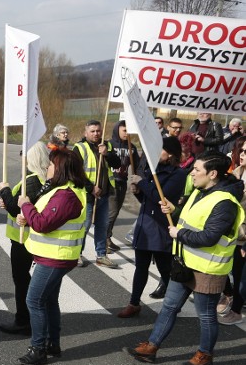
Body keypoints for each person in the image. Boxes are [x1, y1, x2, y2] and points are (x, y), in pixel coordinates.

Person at [127, 151, 244, 365]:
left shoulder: (225, 202)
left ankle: (205, 355)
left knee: (206, 316)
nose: (192, 173)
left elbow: (209, 236)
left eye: (197, 169)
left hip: (207, 268)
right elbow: (191, 217)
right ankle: (152, 346)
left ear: (213, 174)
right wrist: (175, 209)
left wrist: (178, 234)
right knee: (169, 306)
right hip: (185, 262)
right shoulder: (201, 192)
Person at [14, 147, 87, 365]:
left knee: (34, 300)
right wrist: (27, 216)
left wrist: (25, 205)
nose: (48, 167)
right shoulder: (63, 190)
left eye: (52, 164)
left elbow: (43, 224)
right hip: (53, 256)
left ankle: (38, 349)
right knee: (48, 300)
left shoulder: (67, 195)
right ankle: (52, 343)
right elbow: (44, 218)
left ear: (62, 168)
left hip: (55, 257)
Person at [116, 137, 187, 317]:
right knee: (141, 267)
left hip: (162, 227)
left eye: (159, 150)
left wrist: (141, 183)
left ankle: (173, 303)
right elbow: (147, 200)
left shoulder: (177, 174)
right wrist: (138, 192)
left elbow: (161, 199)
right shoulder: (153, 169)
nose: (155, 154)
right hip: (145, 225)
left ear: (170, 153)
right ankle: (134, 303)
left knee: (165, 269)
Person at [0, 141, 50, 335]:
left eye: (23, 153)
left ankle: (23, 319)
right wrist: (8, 199)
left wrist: (4, 189)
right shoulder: (40, 178)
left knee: (21, 279)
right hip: (27, 237)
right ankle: (30, 316)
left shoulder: (31, 181)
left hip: (23, 239)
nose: (21, 156)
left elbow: (16, 207)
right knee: (24, 278)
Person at [73, 120, 120, 268]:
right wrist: (91, 188)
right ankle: (77, 254)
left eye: (98, 131)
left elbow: (117, 163)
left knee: (102, 226)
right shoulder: (79, 148)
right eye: (92, 131)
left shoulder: (107, 145)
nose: (96, 134)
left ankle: (101, 255)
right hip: (86, 196)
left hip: (104, 195)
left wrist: (107, 154)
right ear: (85, 132)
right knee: (84, 226)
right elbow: (75, 172)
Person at [217, 135, 246, 325]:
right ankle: (231, 296)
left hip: (245, 236)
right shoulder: (238, 171)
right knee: (233, 270)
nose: (242, 154)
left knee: (243, 276)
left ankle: (236, 310)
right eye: (242, 150)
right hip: (235, 232)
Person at [106, 121, 139, 253]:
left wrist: (135, 182)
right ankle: (104, 240)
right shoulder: (109, 145)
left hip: (122, 182)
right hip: (110, 182)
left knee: (116, 212)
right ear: (117, 130)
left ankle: (107, 237)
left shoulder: (132, 147)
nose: (127, 133)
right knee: (112, 212)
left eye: (129, 131)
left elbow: (136, 166)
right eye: (124, 130)